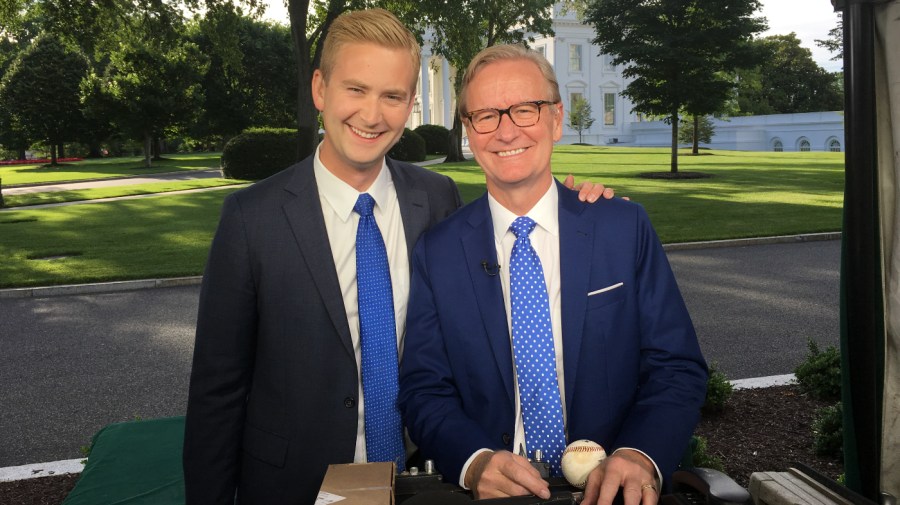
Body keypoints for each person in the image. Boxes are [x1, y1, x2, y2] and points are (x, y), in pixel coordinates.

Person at [183, 10, 611, 505]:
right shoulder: (250, 217)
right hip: (293, 481)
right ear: (320, 89)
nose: (372, 115)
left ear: (410, 103)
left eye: (392, 96)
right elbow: (218, 391)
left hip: (429, 476)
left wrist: (580, 206)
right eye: (356, 90)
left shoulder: (436, 199)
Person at [398, 44, 708, 505]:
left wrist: (639, 455)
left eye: (525, 109)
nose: (506, 131)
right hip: (493, 493)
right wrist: (474, 460)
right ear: (468, 130)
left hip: (612, 489)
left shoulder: (622, 228)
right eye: (486, 115)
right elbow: (425, 387)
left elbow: (676, 366)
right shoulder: (438, 251)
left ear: (556, 119)